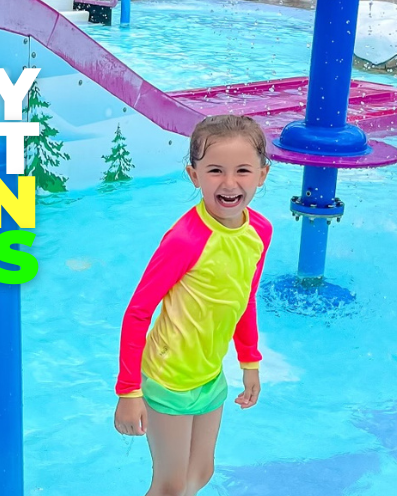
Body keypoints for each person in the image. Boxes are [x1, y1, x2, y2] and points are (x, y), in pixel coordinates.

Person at [113, 114, 273, 496]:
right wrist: (128, 390)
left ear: (262, 175)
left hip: (208, 376)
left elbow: (243, 298)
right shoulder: (185, 240)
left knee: (199, 475)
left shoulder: (259, 232)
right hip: (169, 377)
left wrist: (250, 363)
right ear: (193, 175)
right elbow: (138, 311)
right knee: (169, 487)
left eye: (243, 171)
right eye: (215, 170)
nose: (230, 183)